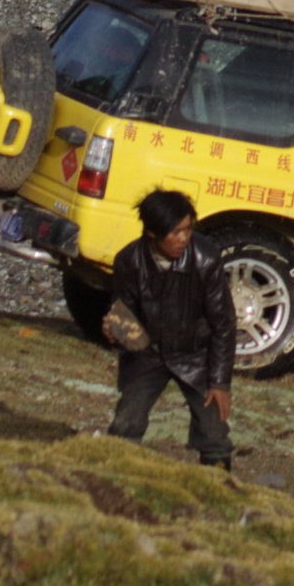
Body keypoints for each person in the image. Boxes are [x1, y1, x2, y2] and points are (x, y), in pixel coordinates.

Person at [108, 188, 237, 468]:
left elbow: (223, 324)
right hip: (149, 353)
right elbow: (122, 312)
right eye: (175, 232)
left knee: (214, 432)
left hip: (196, 355)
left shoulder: (206, 259)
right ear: (153, 233)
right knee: (125, 423)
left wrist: (219, 382)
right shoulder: (129, 261)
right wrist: (117, 332)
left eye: (187, 230)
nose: (183, 239)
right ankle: (116, 474)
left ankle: (217, 488)